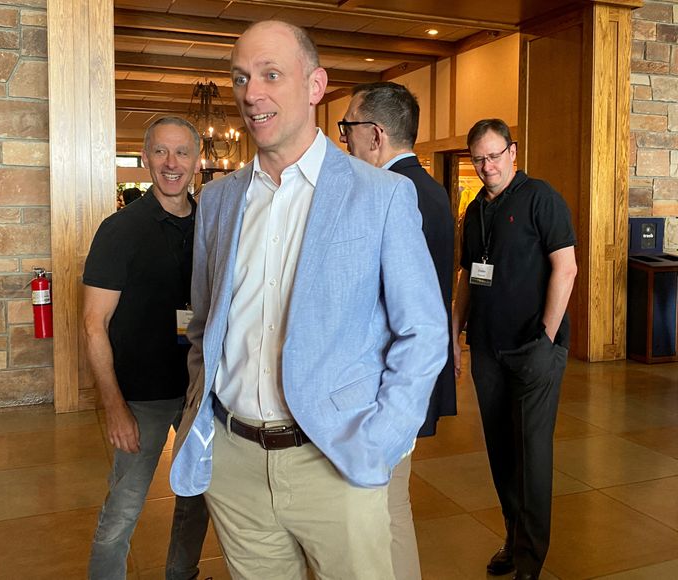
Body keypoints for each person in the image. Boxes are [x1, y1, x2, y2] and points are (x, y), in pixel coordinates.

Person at [169, 20, 448, 580]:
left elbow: (424, 332)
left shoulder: (383, 195)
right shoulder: (220, 200)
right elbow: (206, 325)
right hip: (237, 466)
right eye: (242, 77)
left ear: (316, 85)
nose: (252, 94)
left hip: (335, 462)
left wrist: (380, 442)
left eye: (272, 74)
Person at [339, 81, 456, 580]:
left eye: (348, 127)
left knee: (382, 512)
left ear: (375, 134)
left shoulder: (394, 193)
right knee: (391, 508)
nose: (344, 139)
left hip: (391, 382)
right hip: (404, 378)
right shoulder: (428, 189)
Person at [83, 116, 209, 580]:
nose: (171, 163)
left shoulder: (213, 226)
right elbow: (93, 325)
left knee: (198, 497)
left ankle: (182, 575)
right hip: (142, 399)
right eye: (161, 152)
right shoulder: (120, 230)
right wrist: (114, 407)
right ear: (145, 159)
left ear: (198, 161)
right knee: (123, 510)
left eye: (182, 153)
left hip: (200, 391)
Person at [452, 119, 577, 580]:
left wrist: (545, 337)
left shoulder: (541, 198)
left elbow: (566, 268)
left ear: (513, 152)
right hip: (488, 348)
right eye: (479, 159)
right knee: (501, 452)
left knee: (532, 456)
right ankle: (512, 537)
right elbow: (468, 276)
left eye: (494, 155)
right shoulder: (476, 210)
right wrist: (456, 337)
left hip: (534, 350)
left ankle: (530, 560)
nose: (487, 166)